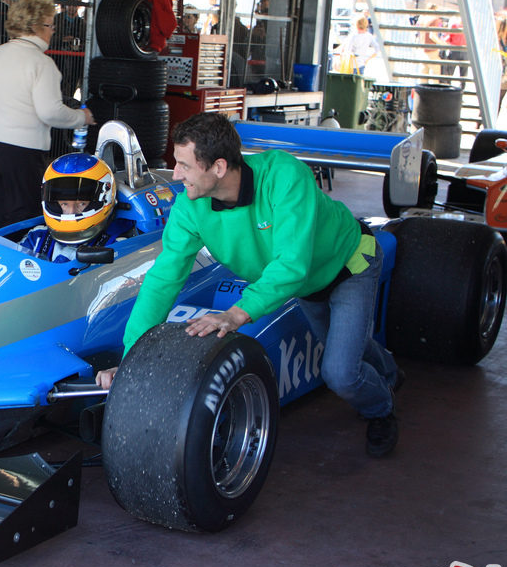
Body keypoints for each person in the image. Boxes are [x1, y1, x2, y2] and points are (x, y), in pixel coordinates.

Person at [95, 113, 402, 458]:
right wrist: (132, 357)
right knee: (341, 344)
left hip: (349, 265)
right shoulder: (190, 205)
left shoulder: (285, 176)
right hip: (307, 287)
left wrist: (236, 315)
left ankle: (382, 409)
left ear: (219, 167)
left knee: (340, 373)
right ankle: (389, 371)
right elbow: (164, 279)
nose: (175, 175)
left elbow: (291, 265)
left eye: (183, 165)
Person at [0, 0, 95, 231]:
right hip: (20, 149)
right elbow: (50, 112)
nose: (52, 31)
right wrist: (81, 117)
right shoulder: (41, 63)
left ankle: (0, 258)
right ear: (36, 27)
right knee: (25, 214)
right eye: (49, 25)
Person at [20, 152, 133, 262]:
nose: (71, 212)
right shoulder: (37, 238)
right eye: (64, 204)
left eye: (81, 204)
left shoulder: (117, 247)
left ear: (106, 198)